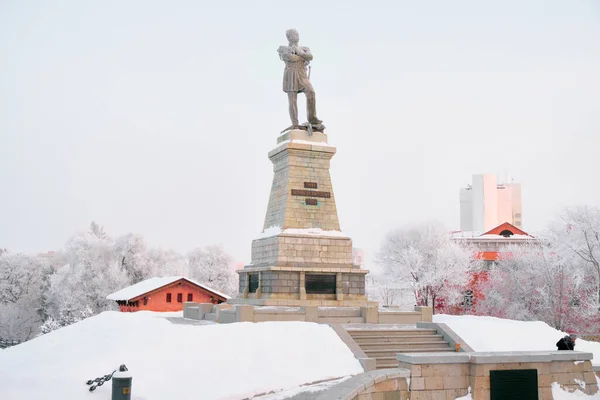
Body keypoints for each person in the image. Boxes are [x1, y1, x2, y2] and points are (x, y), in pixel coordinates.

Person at [278, 29, 323, 129]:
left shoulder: (304, 48)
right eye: (293, 34)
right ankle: (295, 123)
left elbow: (310, 57)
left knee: (311, 92)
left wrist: (299, 53)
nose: (296, 36)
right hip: (291, 74)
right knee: (292, 100)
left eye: (297, 34)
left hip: (302, 74)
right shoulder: (283, 48)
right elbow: (289, 58)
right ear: (288, 37)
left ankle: (312, 118)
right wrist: (302, 57)